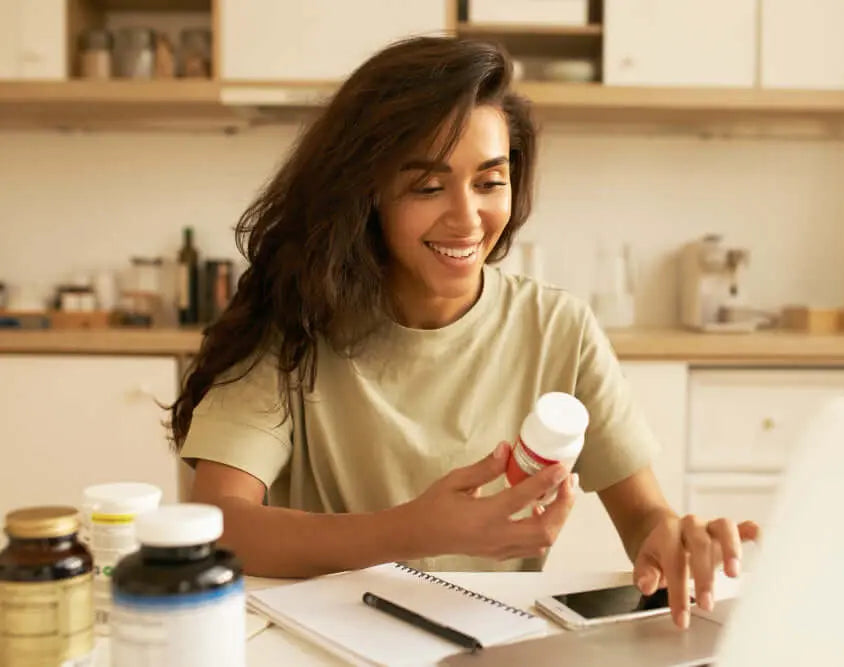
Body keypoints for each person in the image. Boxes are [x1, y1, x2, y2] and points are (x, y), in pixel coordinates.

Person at [171, 36, 757, 630]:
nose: (466, 216)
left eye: (489, 181)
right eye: (428, 186)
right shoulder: (293, 322)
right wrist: (414, 530)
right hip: (329, 643)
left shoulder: (558, 329)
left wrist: (676, 539)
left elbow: (644, 519)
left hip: (493, 642)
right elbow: (220, 524)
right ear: (367, 191)